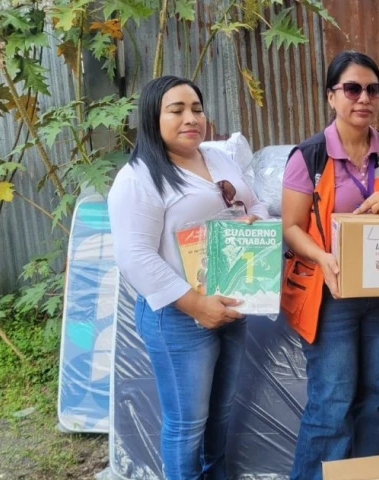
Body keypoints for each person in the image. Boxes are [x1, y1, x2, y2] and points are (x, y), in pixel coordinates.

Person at [107, 75, 268, 479]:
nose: (190, 118)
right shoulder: (138, 178)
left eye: (196, 108)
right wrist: (196, 305)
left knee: (221, 415)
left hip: (231, 306)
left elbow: (257, 203)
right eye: (176, 110)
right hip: (180, 318)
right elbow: (134, 255)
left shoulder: (216, 157)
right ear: (152, 117)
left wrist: (254, 220)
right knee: (187, 425)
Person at [280, 50, 379, 480]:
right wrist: (323, 256)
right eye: (351, 88)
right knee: (332, 400)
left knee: (372, 397)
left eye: (372, 89)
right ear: (331, 96)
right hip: (330, 294)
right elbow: (292, 228)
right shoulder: (310, 157)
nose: (363, 98)